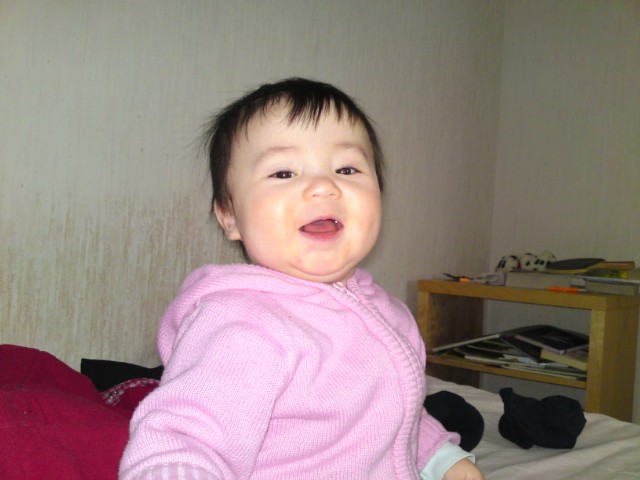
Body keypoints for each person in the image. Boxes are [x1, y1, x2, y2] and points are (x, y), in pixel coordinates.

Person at [119, 78, 484, 480]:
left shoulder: (388, 313)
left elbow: (396, 415)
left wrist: (441, 458)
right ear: (230, 216)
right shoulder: (242, 325)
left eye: (346, 168)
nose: (324, 186)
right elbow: (187, 442)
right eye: (283, 172)